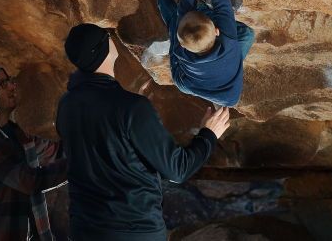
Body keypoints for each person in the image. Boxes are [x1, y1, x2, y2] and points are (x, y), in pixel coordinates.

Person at [57, 23, 230, 240]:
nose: (113, 37)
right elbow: (177, 170)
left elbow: (100, 146)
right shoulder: (131, 107)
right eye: (108, 35)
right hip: (134, 231)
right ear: (103, 49)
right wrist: (209, 135)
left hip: (84, 229)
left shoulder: (67, 105)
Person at [0, 61, 68, 241]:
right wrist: (78, 162)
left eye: (9, 80)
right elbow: (28, 181)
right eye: (2, 83)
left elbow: (55, 153)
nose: (12, 85)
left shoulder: (17, 133)